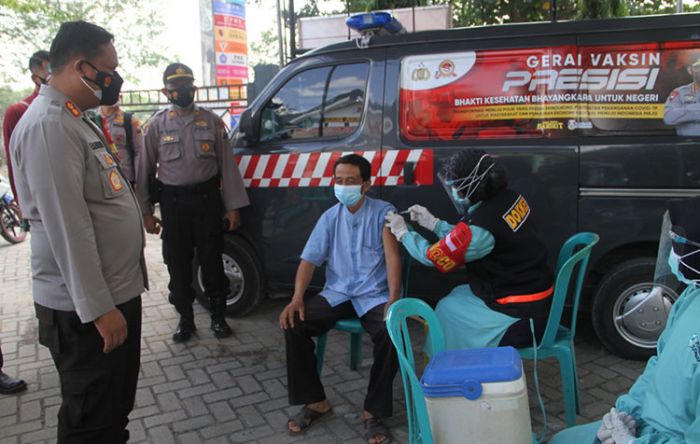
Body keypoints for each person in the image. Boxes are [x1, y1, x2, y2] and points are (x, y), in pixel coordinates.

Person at [9, 21, 146, 443]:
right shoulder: (49, 126)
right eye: (110, 69)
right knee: (92, 422)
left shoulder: (74, 118)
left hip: (111, 296)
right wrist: (99, 308)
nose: (115, 79)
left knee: (111, 413)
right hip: (86, 311)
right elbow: (67, 226)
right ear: (81, 66)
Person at [550, 196, 700, 444]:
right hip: (642, 425)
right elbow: (659, 363)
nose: (672, 253)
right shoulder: (692, 296)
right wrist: (627, 412)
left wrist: (632, 442)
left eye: (678, 244)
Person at [279, 154, 401, 444]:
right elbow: (309, 260)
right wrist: (297, 298)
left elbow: (393, 257)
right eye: (339, 180)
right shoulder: (330, 217)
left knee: (391, 332)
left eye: (351, 181)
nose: (343, 186)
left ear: (366, 185)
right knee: (294, 323)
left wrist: (394, 299)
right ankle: (316, 402)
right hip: (338, 293)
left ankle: (374, 411)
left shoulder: (384, 212)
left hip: (373, 294)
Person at [385, 149, 553, 351]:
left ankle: (449, 367)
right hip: (534, 288)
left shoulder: (482, 227)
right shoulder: (510, 198)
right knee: (457, 294)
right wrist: (434, 224)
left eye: (456, 186)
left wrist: (404, 234)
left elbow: (434, 257)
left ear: (473, 186)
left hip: (521, 311)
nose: (454, 191)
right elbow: (465, 240)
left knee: (445, 310)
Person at [136, 62, 249, 342]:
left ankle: (219, 317)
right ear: (166, 91)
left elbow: (228, 168)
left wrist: (233, 206)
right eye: (176, 88)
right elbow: (144, 171)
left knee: (212, 260)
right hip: (173, 206)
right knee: (178, 264)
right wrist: (146, 213)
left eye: (188, 86)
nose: (183, 92)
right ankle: (185, 319)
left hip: (208, 202)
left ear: (194, 87)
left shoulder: (212, 121)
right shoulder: (157, 126)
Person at [3, 50, 50, 201]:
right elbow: (13, 162)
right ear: (36, 78)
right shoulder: (18, 111)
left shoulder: (67, 108)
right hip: (36, 199)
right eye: (49, 71)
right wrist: (21, 201)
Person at [98, 101, 144, 186]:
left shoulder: (130, 120)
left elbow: (140, 152)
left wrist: (139, 181)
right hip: (101, 181)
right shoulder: (92, 119)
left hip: (125, 178)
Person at [663, 54, 700, 136]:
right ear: (690, 70)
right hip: (687, 145)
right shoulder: (679, 93)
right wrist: (697, 108)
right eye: (698, 67)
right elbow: (668, 118)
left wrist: (684, 113)